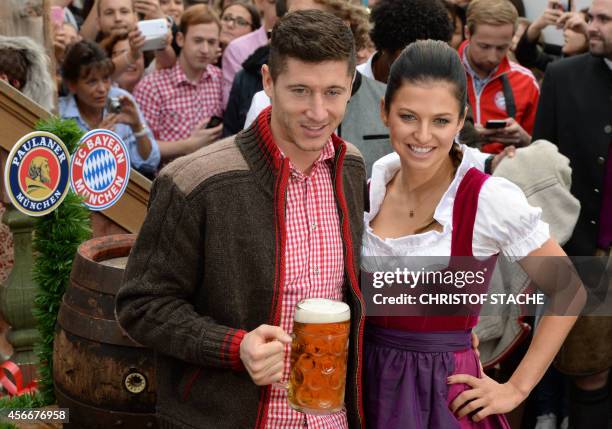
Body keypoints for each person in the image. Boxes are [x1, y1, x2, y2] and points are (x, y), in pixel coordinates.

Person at [116, 10, 366, 428]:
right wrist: (234, 346)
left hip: (332, 417)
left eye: (334, 92)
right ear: (267, 81)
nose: (318, 111)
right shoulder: (195, 181)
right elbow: (141, 306)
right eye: (300, 91)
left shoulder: (351, 167)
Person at [362, 40, 584, 428]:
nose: (423, 135)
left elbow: (569, 287)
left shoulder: (486, 198)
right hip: (365, 382)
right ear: (385, 112)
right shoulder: (371, 185)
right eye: (409, 116)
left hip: (443, 393)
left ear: (462, 118)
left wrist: (516, 388)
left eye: (441, 120)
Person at [532, 0, 612, 426]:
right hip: (583, 252)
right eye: (592, 17)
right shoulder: (563, 77)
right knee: (587, 370)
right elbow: (542, 166)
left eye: (604, 20)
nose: (589, 26)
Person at [133, 4, 224, 164]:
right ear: (180, 39)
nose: (204, 49)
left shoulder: (219, 79)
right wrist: (187, 146)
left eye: (211, 42)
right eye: (198, 40)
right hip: (166, 181)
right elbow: (141, 151)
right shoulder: (152, 86)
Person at [59, 40, 161, 176]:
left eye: (106, 79)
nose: (102, 89)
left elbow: (150, 162)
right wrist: (94, 142)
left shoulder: (122, 100)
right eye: (92, 81)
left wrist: (137, 127)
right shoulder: (60, 115)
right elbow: (64, 173)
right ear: (72, 85)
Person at [459, 0, 539, 153]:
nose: (492, 57)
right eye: (484, 46)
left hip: (506, 171)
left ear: (512, 37)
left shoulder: (526, 81)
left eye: (502, 47)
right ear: (467, 33)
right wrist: (467, 136)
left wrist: (524, 140)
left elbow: (541, 148)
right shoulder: (443, 73)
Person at [358, 0, 453, 84]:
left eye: (428, 53)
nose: (419, 61)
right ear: (386, 47)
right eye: (411, 52)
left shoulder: (438, 87)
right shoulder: (352, 80)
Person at [221, 0, 277, 107]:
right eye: (226, 18)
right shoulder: (236, 49)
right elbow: (233, 104)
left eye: (240, 22)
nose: (230, 24)